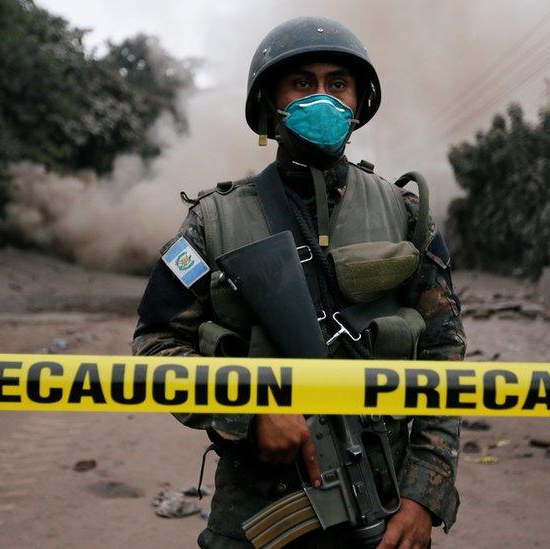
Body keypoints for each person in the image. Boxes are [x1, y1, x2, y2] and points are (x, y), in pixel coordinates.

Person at [132, 16, 465, 549]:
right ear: (271, 102)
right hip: (256, 507)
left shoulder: (405, 217)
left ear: (359, 101)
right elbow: (154, 344)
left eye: (337, 83)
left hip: (383, 502)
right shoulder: (212, 221)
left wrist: (425, 491)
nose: (322, 97)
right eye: (301, 83)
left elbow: (444, 356)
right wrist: (247, 410)